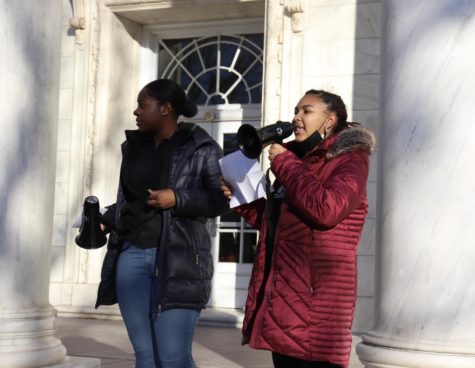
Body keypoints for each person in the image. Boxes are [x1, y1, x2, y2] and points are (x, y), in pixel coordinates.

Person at [221, 89, 375, 368]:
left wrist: (285, 162)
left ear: (330, 119)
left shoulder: (351, 159)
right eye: (296, 110)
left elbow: (327, 210)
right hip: (285, 303)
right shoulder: (299, 161)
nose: (296, 118)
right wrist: (241, 199)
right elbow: (279, 227)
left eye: (307, 111)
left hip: (317, 305)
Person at [95, 79, 229, 368]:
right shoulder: (133, 148)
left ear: (166, 109)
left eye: (143, 105)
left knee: (173, 356)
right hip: (130, 256)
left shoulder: (202, 146)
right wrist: (106, 218)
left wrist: (177, 198)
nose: (135, 112)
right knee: (144, 355)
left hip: (178, 260)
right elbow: (133, 201)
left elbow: (221, 200)